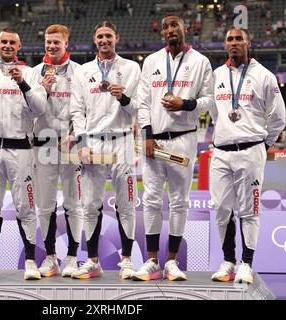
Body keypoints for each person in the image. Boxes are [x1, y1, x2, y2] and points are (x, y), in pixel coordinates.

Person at [135, 15, 214, 281]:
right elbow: (143, 103)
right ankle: (152, 260)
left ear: (185, 28)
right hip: (154, 140)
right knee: (152, 200)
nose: (170, 30)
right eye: (166, 26)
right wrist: (146, 135)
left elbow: (209, 101)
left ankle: (172, 261)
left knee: (180, 201)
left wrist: (186, 104)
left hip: (184, 138)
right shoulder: (152, 61)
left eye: (174, 26)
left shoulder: (200, 62)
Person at [210, 27, 285, 284]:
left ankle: (247, 263)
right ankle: (228, 261)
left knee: (249, 210)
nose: (234, 43)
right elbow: (213, 112)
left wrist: (263, 145)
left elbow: (278, 118)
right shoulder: (217, 75)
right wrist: (226, 132)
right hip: (220, 152)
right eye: (229, 39)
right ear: (224, 45)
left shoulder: (264, 76)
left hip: (251, 150)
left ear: (248, 43)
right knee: (221, 210)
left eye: (238, 39)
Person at [0, 27, 46, 281]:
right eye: (4, 41)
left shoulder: (31, 73)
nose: (8, 46)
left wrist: (22, 83)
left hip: (21, 147)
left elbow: (40, 109)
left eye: (12, 42)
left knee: (25, 207)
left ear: (19, 46)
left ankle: (31, 262)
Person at [70, 21, 141, 279]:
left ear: (116, 38)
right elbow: (76, 110)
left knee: (127, 203)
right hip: (93, 142)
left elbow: (138, 110)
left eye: (108, 36)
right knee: (90, 204)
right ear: (94, 38)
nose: (104, 40)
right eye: (100, 36)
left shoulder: (131, 68)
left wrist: (124, 99)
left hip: (122, 139)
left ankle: (127, 260)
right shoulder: (84, 71)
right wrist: (81, 143)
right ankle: (91, 261)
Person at [33, 24, 83, 278]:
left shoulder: (80, 72)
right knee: (45, 206)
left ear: (66, 43)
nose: (52, 46)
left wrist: (75, 134)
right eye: (48, 42)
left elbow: (85, 109)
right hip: (42, 145)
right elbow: (28, 109)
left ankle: (73, 257)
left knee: (73, 205)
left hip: (71, 146)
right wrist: (44, 89)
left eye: (56, 42)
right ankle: (50, 257)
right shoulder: (34, 73)